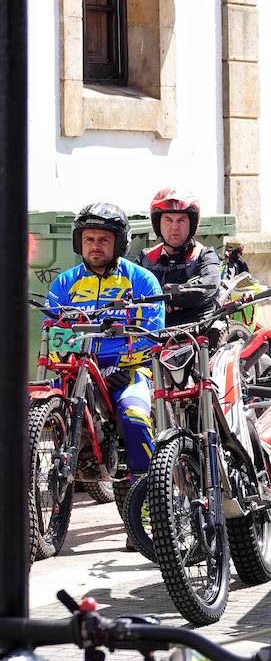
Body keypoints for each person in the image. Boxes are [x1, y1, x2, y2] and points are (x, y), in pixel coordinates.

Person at [48, 203, 164, 492]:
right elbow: (52, 337)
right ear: (79, 242)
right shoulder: (64, 284)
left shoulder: (142, 281)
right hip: (77, 372)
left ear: (119, 243)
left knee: (134, 419)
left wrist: (123, 365)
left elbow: (152, 335)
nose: (95, 246)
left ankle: (147, 499)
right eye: (89, 239)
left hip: (129, 371)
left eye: (103, 240)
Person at [139, 187, 225, 327]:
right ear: (157, 223)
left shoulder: (204, 255)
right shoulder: (146, 258)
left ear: (191, 223)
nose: (174, 227)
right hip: (152, 334)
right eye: (168, 220)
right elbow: (128, 289)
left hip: (197, 335)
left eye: (181, 220)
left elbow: (207, 286)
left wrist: (167, 298)